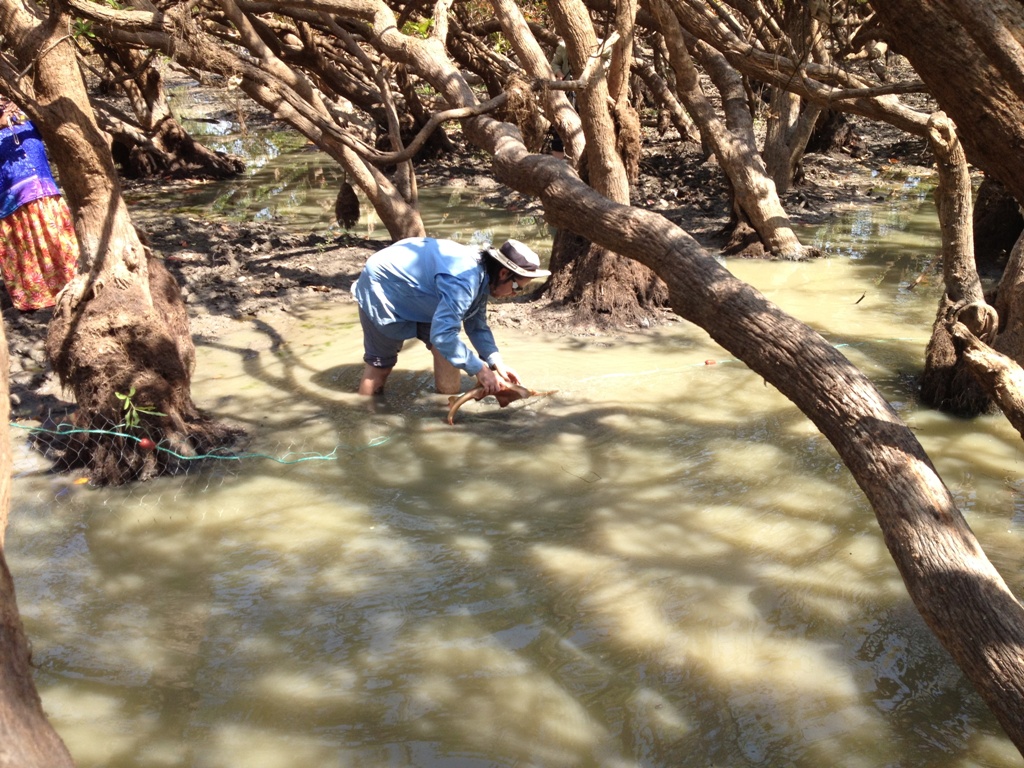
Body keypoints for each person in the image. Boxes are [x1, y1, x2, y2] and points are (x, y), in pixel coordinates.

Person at [353, 237, 551, 396]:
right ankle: (365, 418)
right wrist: (481, 371)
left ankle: (445, 406)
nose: (514, 294)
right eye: (516, 287)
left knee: (447, 353)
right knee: (380, 367)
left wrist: (495, 362)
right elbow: (443, 336)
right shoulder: (464, 280)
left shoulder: (484, 278)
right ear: (503, 273)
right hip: (383, 289)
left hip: (424, 293)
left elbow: (476, 325)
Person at [0, 96, 77, 311]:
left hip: (43, 191)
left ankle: (70, 284)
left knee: (58, 240)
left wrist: (23, 106)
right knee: (25, 248)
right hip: (11, 200)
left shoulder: (27, 114)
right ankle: (36, 298)